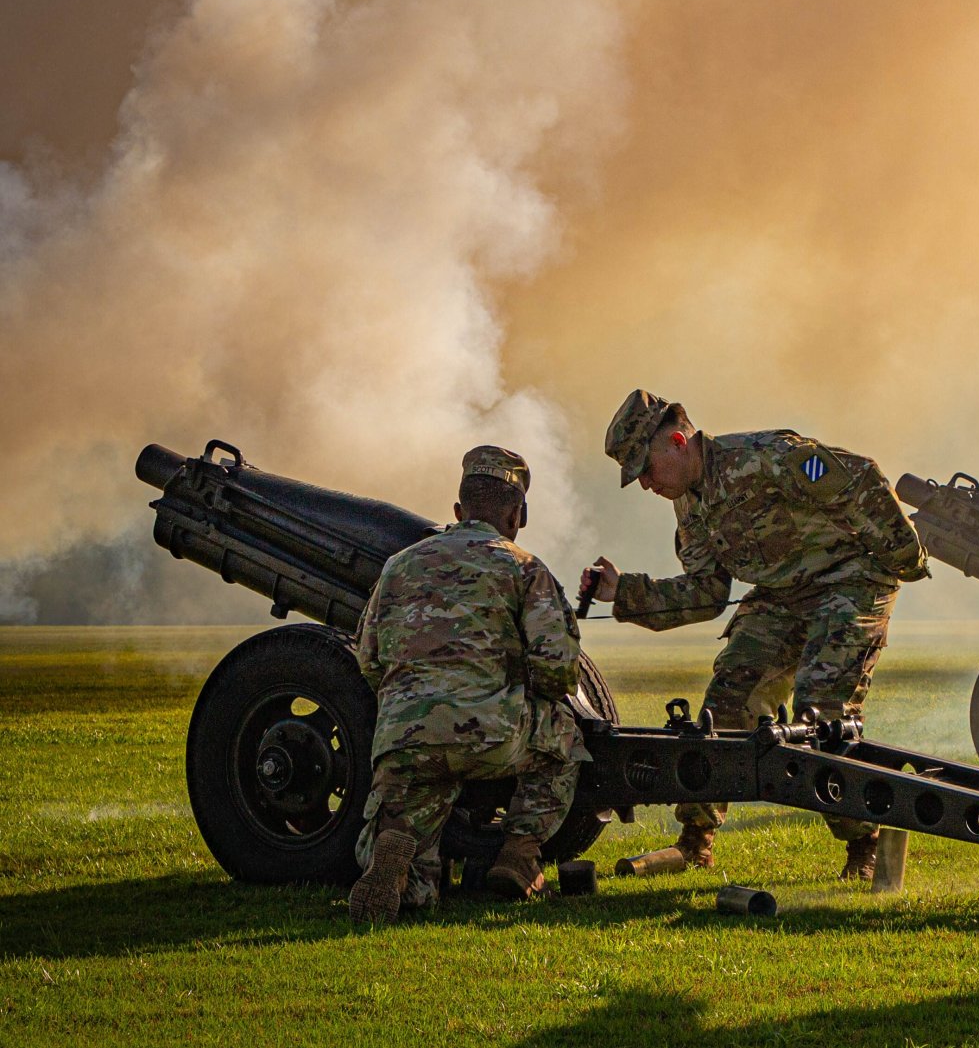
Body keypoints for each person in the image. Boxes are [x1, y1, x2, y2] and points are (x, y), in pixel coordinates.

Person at [581, 390, 928, 880]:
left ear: (678, 442)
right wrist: (624, 593)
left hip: (849, 581)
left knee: (821, 711)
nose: (644, 484)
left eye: (645, 468)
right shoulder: (688, 506)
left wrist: (902, 558)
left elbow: (861, 479)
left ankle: (864, 842)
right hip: (781, 596)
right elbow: (705, 593)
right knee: (727, 701)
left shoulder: (766, 457)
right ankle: (696, 840)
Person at [349, 446, 588, 923]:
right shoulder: (524, 568)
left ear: (458, 512)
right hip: (490, 735)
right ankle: (519, 853)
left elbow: (368, 658)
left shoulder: (398, 565)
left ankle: (400, 865)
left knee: (417, 875)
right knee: (565, 733)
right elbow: (560, 672)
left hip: (404, 740)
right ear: (516, 514)